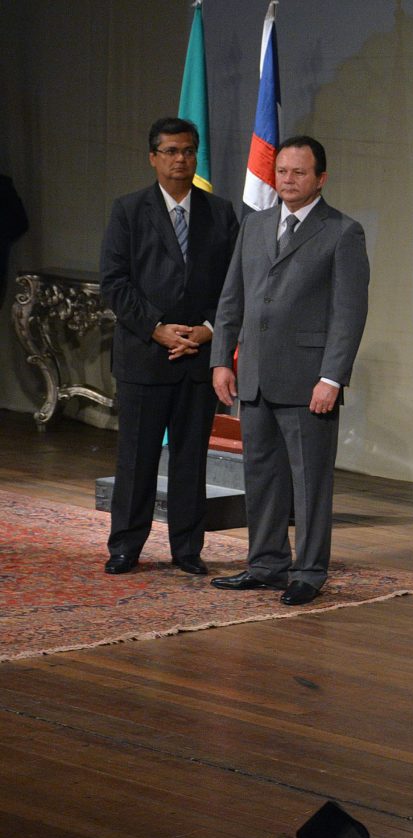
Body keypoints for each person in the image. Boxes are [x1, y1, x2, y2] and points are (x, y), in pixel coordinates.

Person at [209, 135, 369, 606]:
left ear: (321, 178)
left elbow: (349, 313)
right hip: (255, 375)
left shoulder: (342, 232)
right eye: (282, 171)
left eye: (299, 172)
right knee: (261, 477)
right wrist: (221, 359)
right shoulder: (254, 226)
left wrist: (332, 378)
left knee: (310, 482)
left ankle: (309, 571)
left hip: (308, 382)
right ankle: (265, 564)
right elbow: (231, 299)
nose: (288, 180)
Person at [99, 118, 240, 575]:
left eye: (188, 151)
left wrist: (208, 330)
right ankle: (125, 546)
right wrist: (158, 329)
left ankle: (186, 550)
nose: (181, 159)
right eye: (171, 151)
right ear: (153, 157)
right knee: (137, 458)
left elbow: (234, 287)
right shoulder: (129, 210)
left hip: (198, 358)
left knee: (189, 458)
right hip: (145, 355)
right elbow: (115, 284)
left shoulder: (221, 213)